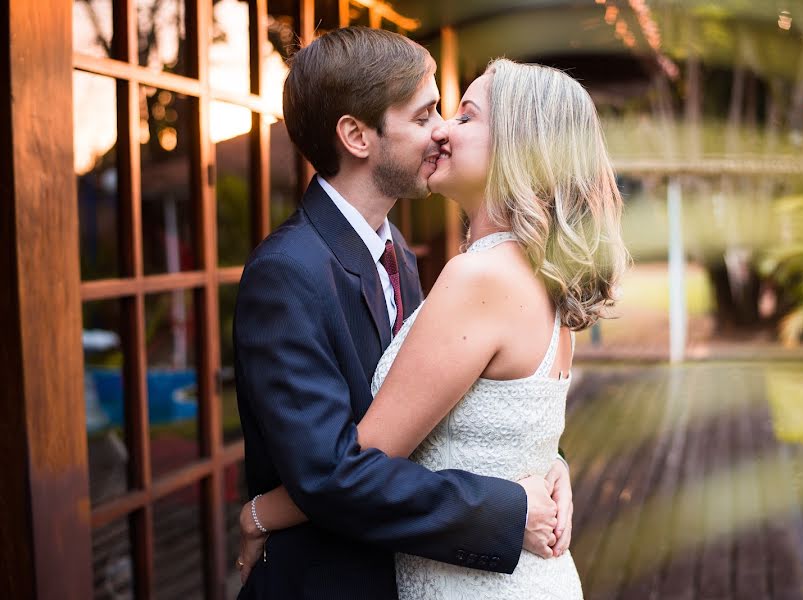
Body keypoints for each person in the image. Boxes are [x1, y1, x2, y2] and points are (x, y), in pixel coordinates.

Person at [237, 49, 628, 598]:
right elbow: (338, 468)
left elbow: (430, 425)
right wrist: (525, 490)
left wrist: (258, 516)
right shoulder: (290, 271)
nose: (442, 130)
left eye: (461, 116)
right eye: (426, 116)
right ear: (356, 136)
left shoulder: (458, 270)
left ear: (517, 147)